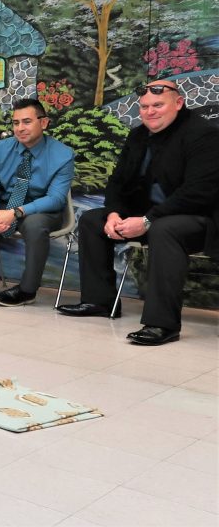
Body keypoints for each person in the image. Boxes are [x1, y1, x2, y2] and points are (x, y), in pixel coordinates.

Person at [57, 80, 219, 346]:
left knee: (164, 229)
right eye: (144, 107)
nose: (150, 112)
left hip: (196, 219)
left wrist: (147, 221)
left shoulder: (203, 134)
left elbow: (199, 192)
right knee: (91, 220)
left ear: (178, 104)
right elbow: (118, 181)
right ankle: (99, 301)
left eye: (157, 105)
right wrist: (113, 214)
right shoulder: (137, 136)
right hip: (145, 215)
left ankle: (161, 324)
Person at [0, 99, 74, 306]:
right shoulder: (0, 149)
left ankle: (27, 290)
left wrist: (16, 213)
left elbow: (56, 199)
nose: (20, 128)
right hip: (4, 206)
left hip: (43, 210)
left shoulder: (63, 154)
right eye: (16, 123)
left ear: (44, 123)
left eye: (27, 122)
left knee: (34, 225)